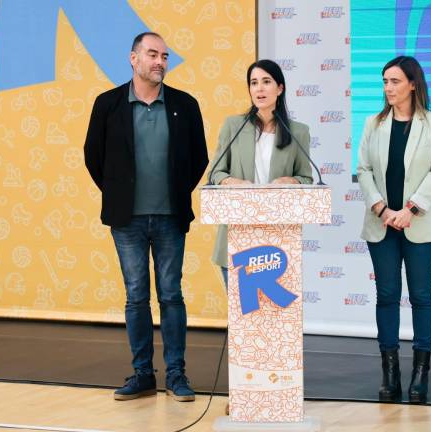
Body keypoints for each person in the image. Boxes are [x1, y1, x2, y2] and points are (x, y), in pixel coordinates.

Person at [84, 32, 209, 402]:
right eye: (152, 54)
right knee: (136, 296)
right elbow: (94, 157)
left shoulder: (185, 105)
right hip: (127, 219)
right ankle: (142, 374)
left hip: (171, 216)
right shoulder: (108, 104)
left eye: (165, 56)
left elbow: (198, 158)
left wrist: (175, 191)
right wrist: (119, 192)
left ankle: (176, 374)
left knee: (171, 295)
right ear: (133, 59)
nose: (159, 62)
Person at [356, 56, 431, 404]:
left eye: (395, 81)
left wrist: (409, 209)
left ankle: (421, 374)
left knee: (422, 296)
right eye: (384, 82)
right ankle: (390, 373)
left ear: (412, 83)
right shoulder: (373, 123)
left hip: (419, 223)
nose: (388, 88)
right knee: (387, 296)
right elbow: (363, 169)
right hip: (381, 225)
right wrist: (381, 207)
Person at [208, 59, 313, 282]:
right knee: (242, 316)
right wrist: (232, 182)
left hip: (277, 239)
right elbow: (215, 173)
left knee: (271, 315)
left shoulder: (298, 132)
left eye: (266, 81)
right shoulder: (233, 126)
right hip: (237, 235)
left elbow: (306, 178)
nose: (260, 88)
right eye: (254, 83)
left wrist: (291, 181)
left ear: (280, 88)